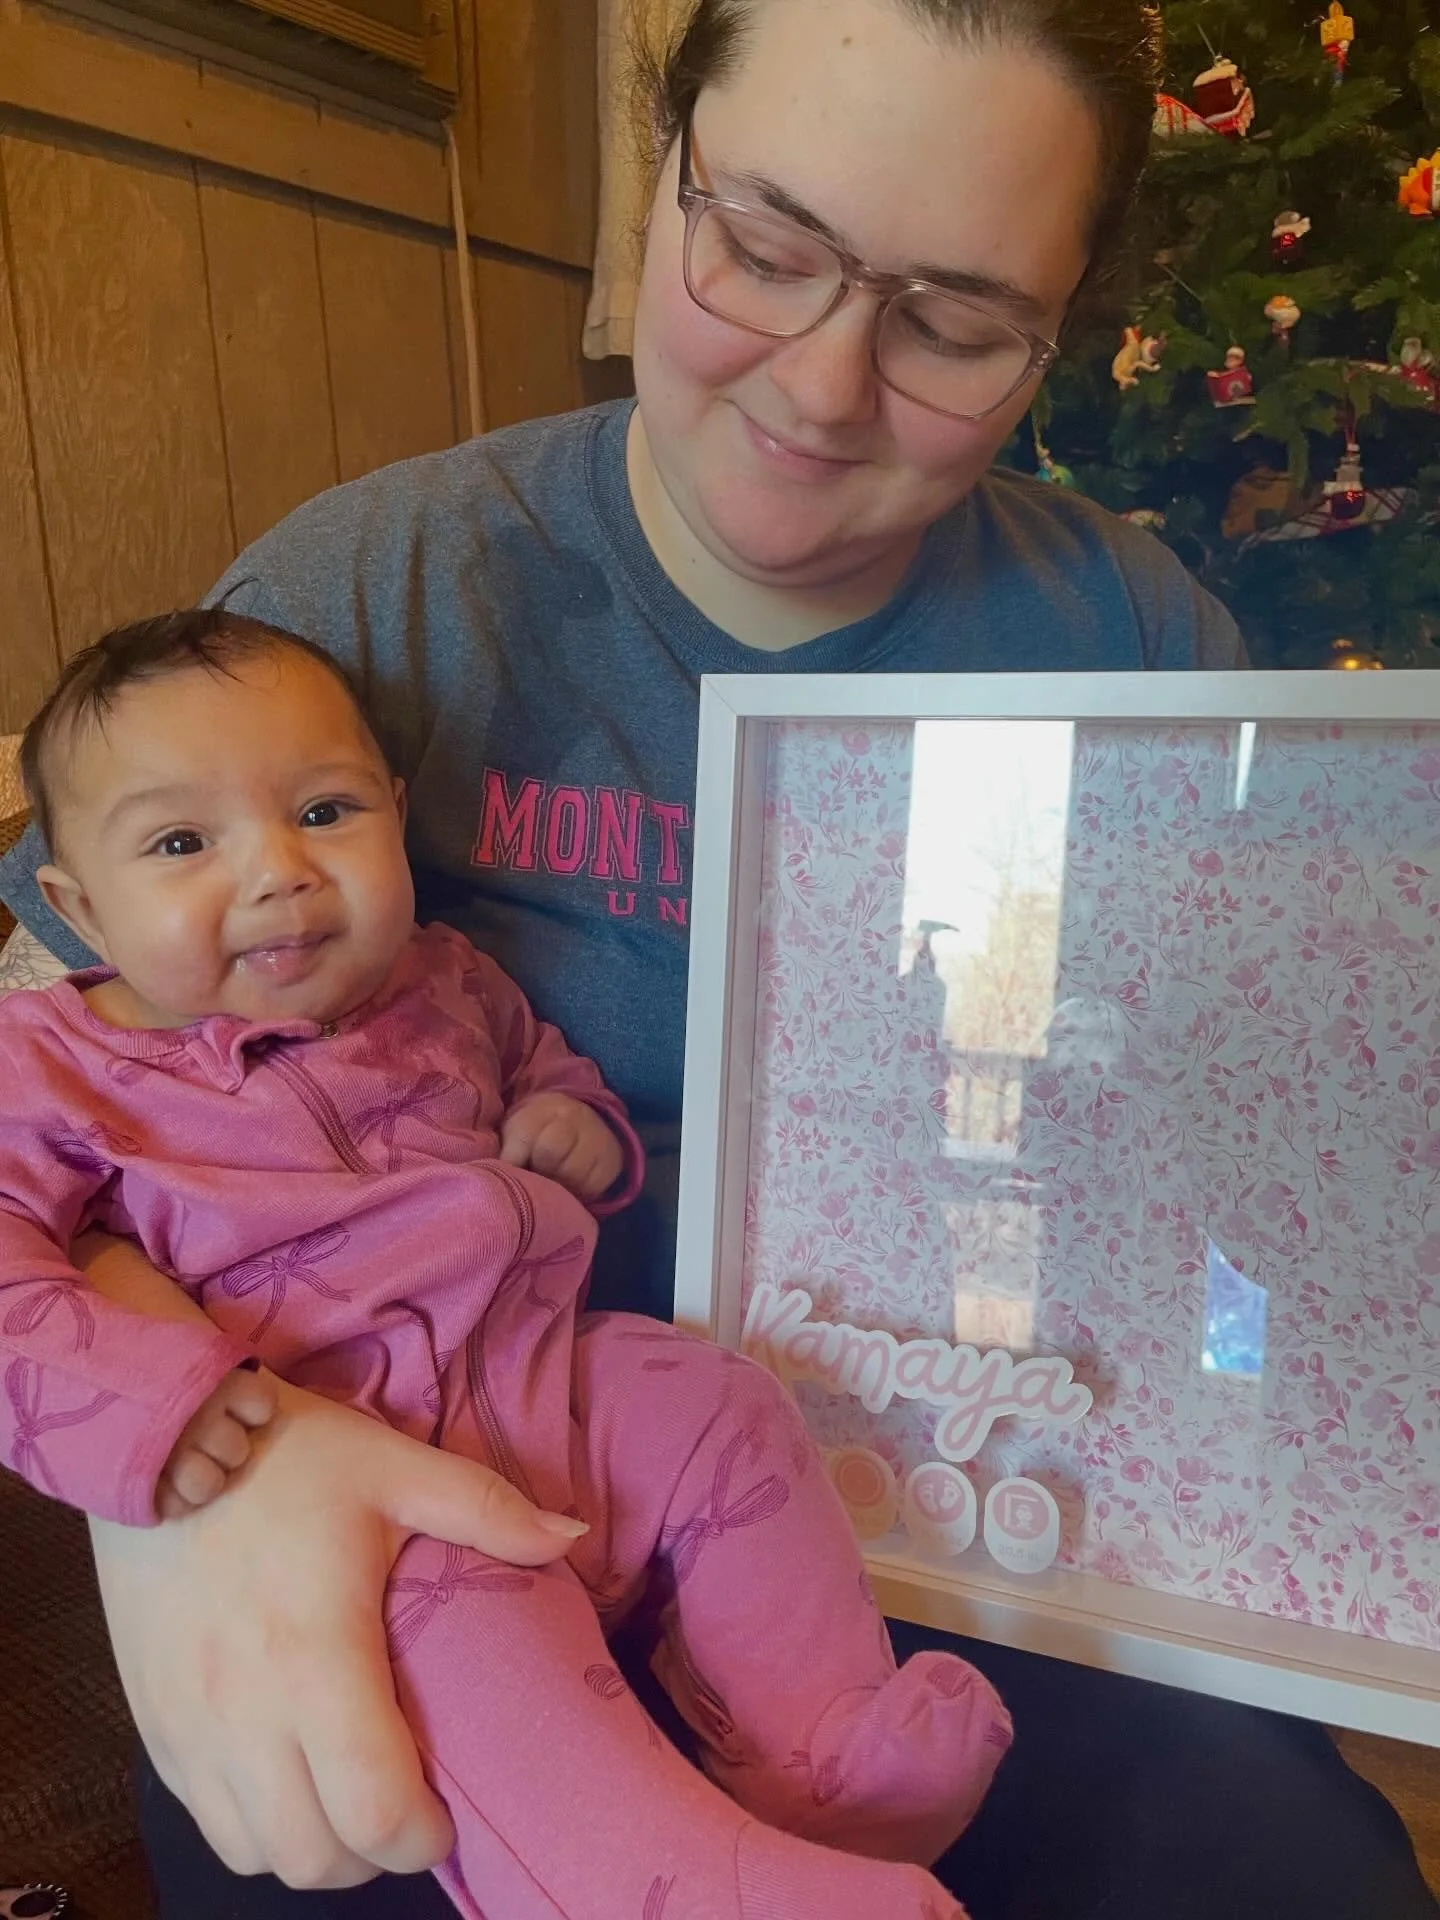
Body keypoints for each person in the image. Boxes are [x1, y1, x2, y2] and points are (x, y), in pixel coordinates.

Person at [0, 0, 1434, 1914]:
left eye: (954, 324)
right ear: (662, 174)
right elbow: (90, 1075)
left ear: (1061, 335)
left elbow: (1249, 1144)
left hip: (955, 1484)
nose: (824, 388)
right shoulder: (370, 595)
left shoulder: (1129, 631)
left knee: (1290, 1874)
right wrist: (194, 1465)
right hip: (375, 1454)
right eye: (761, 245)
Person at [1, 611, 1007, 1919]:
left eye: (324, 812)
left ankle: (825, 1756)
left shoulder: (446, 978)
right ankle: (674, 1890)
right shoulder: (54, 1066)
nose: (279, 874)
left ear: (394, 812)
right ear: (78, 905)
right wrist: (145, 1403)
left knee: (716, 1398)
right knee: (475, 1637)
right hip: (356, 1479)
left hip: (550, 1384)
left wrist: (573, 1120)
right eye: (183, 844)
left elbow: (537, 1062)